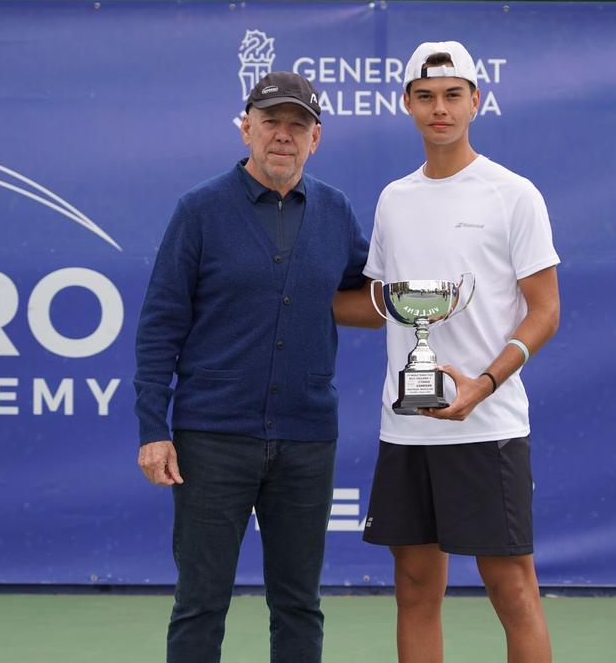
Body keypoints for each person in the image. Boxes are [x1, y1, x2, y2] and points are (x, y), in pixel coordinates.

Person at [335, 40, 560, 663]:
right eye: (427, 97)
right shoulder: (393, 199)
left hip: (487, 425)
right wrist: (287, 295)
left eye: (453, 96)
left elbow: (545, 311)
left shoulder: (513, 194)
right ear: (407, 104)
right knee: (413, 588)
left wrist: (483, 384)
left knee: (512, 590)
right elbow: (381, 300)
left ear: (475, 103)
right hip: (405, 428)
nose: (441, 109)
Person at [134, 70, 369, 663]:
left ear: (317, 138)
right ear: (246, 129)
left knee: (298, 604)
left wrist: (445, 296)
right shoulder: (200, 210)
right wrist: (153, 430)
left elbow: (373, 293)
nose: (283, 136)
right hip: (212, 438)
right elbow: (160, 325)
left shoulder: (337, 213)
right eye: (271, 123)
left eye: (298, 125)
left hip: (306, 438)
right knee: (201, 601)